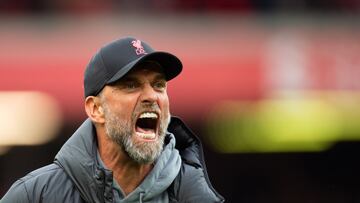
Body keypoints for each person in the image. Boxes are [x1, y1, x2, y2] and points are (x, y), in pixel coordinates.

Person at [1, 37, 225, 202]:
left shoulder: (196, 196)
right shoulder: (35, 196)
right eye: (131, 85)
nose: (151, 96)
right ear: (96, 109)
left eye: (159, 85)